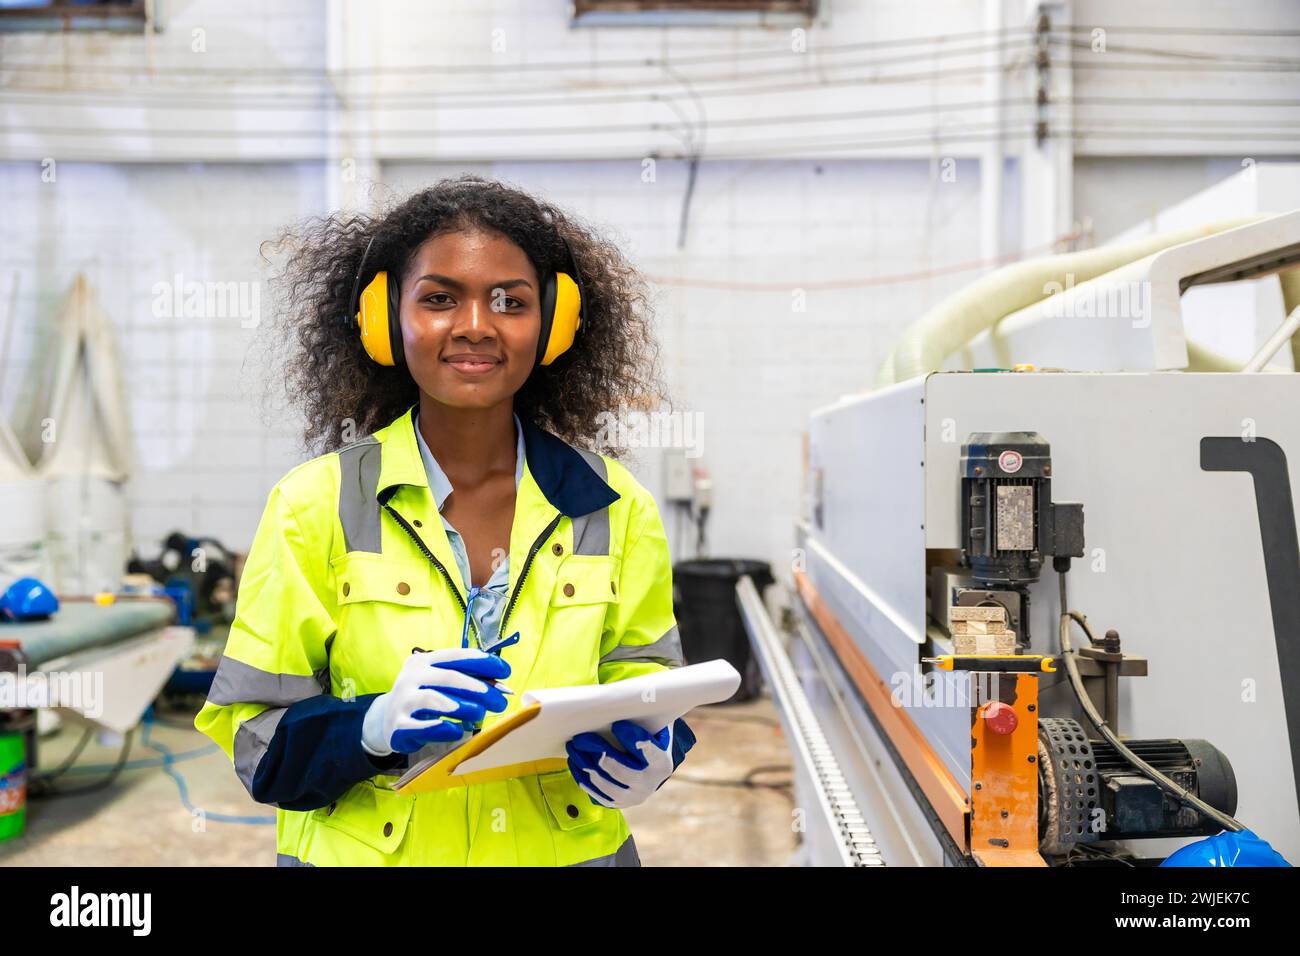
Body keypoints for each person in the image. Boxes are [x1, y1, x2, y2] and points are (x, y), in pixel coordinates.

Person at [196, 176, 692, 866]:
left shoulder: (611, 504)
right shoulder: (315, 504)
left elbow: (648, 681)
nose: (475, 326)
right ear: (381, 318)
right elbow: (256, 744)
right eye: (438, 298)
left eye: (510, 302)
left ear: (554, 324)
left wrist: (656, 756)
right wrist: (367, 727)